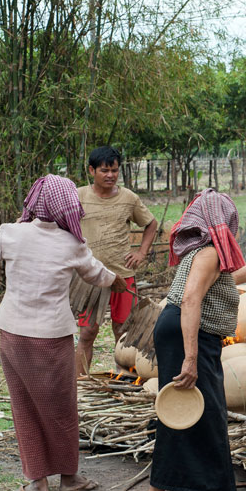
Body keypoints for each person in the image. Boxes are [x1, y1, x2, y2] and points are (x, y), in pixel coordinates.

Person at [140, 188, 246, 491]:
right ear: (222, 221)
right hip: (185, 335)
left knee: (210, 413)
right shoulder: (208, 253)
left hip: (191, 333)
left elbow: (227, 282)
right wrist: (190, 359)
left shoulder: (207, 252)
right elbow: (192, 301)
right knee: (181, 413)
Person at [0, 175, 128, 491]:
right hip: (52, 338)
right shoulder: (72, 244)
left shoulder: (13, 234)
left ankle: (37, 484)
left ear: (34, 203)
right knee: (61, 407)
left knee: (24, 406)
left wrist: (12, 228)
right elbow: (99, 274)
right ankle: (69, 478)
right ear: (68, 206)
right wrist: (118, 282)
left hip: (14, 335)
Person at [75, 146, 158, 375]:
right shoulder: (79, 196)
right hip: (89, 276)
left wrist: (141, 252)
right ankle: (81, 383)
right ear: (92, 170)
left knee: (123, 333)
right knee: (87, 332)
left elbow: (151, 223)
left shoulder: (129, 198)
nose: (110, 175)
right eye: (104, 170)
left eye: (114, 170)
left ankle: (125, 381)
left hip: (123, 275)